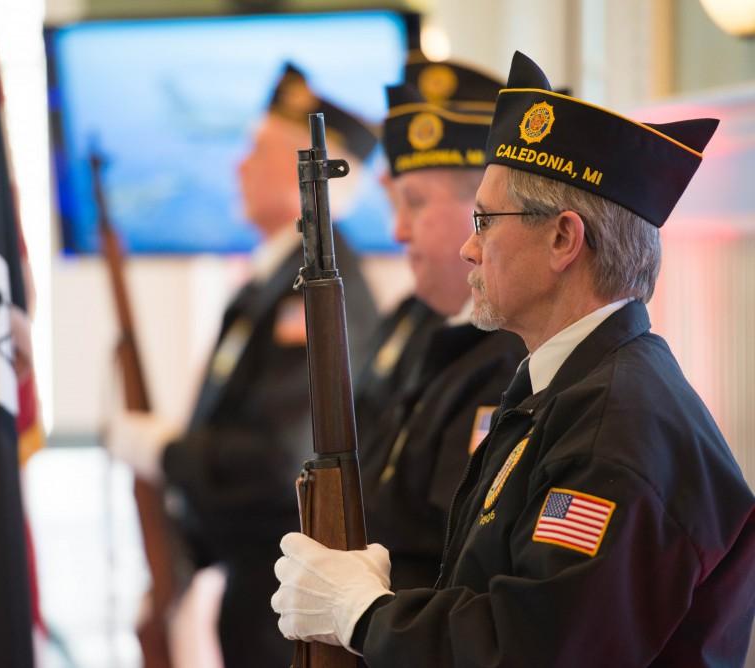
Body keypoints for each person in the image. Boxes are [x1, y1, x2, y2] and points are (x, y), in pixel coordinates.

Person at [272, 51, 755, 666]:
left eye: (484, 220)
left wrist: (365, 614)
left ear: (563, 239)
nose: (468, 249)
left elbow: (536, 648)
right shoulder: (567, 391)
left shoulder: (616, 426)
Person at [110, 63, 379, 668]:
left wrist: (170, 451)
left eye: (256, 150)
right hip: (259, 588)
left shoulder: (321, 292)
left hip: (285, 603)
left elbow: (279, 460)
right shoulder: (270, 286)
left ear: (302, 177)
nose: (237, 166)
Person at [352, 56, 526, 591]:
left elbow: (453, 557)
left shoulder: (509, 352)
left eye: (415, 203)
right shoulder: (422, 321)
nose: (399, 231)